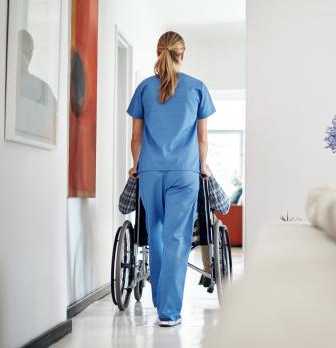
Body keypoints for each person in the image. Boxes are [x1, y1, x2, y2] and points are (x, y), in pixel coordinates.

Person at [127, 31, 215, 327]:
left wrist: (134, 165)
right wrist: (203, 165)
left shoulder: (143, 88)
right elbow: (202, 140)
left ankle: (159, 299)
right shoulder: (197, 88)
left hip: (150, 172)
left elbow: (136, 138)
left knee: (156, 234)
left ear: (158, 51)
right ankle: (169, 311)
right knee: (176, 238)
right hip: (184, 172)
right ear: (182, 54)